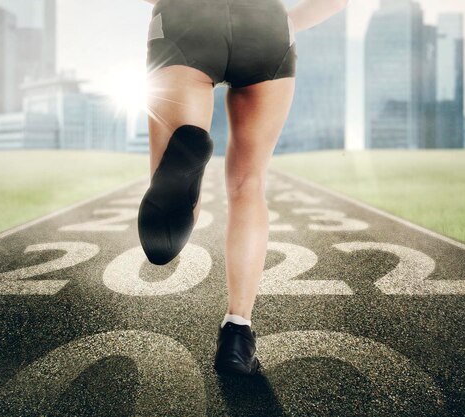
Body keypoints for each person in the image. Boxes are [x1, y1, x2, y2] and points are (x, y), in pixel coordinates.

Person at [138, 0, 349, 375]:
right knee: (248, 184)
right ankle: (238, 331)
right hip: (266, 26)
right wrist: (286, 21)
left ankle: (183, 173)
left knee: (171, 170)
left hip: (184, 19)